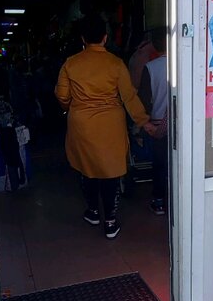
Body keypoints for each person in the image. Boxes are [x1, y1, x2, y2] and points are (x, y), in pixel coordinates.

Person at [56, 16, 155, 239]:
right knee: (110, 172)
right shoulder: (115, 63)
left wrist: (71, 107)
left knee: (87, 168)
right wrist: (144, 121)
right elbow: (129, 96)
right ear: (105, 38)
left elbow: (62, 95)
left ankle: (93, 212)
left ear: (83, 39)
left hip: (82, 124)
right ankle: (110, 221)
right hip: (111, 125)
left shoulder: (71, 63)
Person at [137, 29, 169, 216]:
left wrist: (143, 124)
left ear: (155, 46)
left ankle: (159, 201)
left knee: (159, 164)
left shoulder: (150, 67)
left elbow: (144, 99)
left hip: (157, 126)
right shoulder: (184, 65)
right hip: (182, 123)